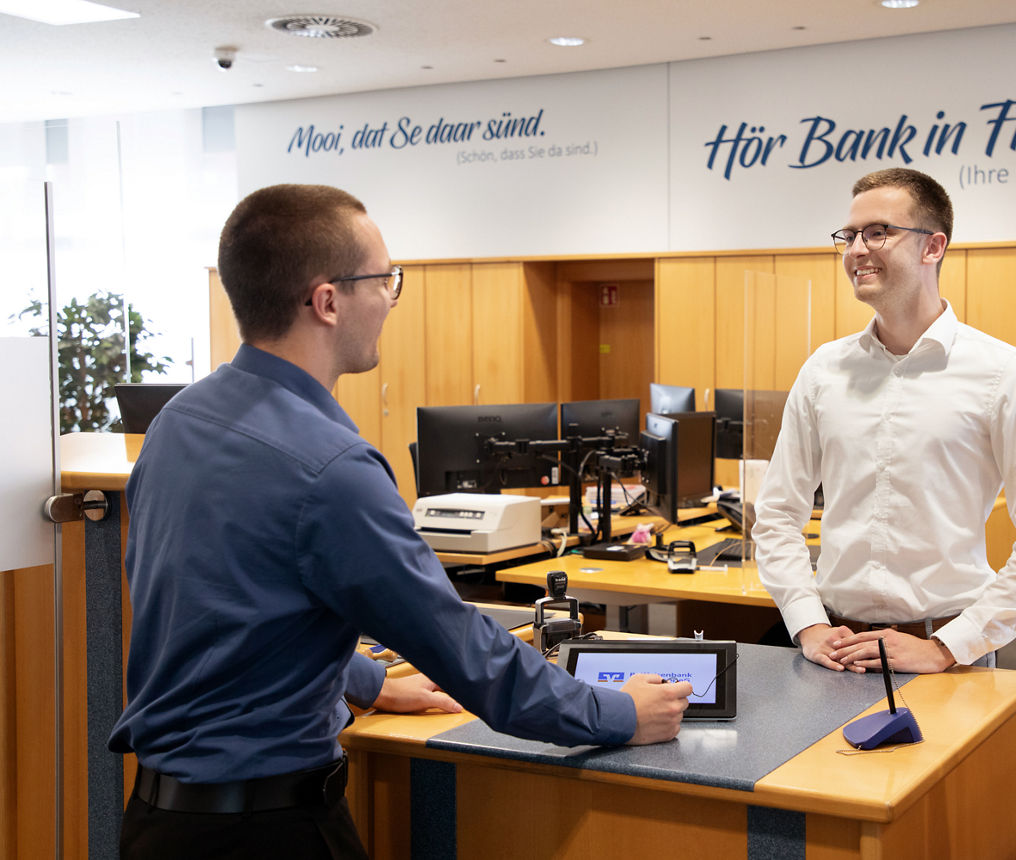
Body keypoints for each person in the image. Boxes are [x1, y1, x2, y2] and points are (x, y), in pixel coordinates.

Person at [109, 184, 692, 859]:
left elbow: (232, 612)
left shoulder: (179, 423)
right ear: (327, 302)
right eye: (384, 280)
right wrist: (618, 712)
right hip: (267, 833)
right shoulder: (330, 468)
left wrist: (369, 682)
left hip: (156, 822)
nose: (391, 298)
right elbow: (462, 651)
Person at [752, 168, 1016, 675]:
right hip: (836, 654)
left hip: (949, 656)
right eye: (849, 236)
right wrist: (807, 622)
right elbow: (776, 515)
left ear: (933, 247)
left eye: (878, 232)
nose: (857, 250)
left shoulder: (1004, 372)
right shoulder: (823, 370)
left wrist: (947, 646)